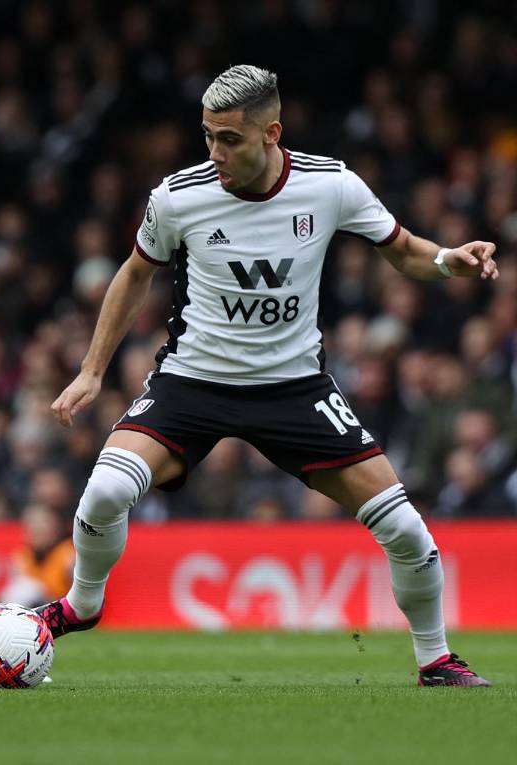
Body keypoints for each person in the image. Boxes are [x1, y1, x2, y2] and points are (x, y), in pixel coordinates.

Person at [37, 65, 494, 687]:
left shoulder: (331, 186)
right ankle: (84, 603)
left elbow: (405, 249)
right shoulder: (180, 196)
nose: (215, 152)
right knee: (107, 492)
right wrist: (93, 371)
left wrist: (449, 260)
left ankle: (435, 659)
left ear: (272, 132)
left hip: (294, 388)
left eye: (230, 138)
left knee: (405, 527)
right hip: (192, 383)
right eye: (207, 136)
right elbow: (133, 274)